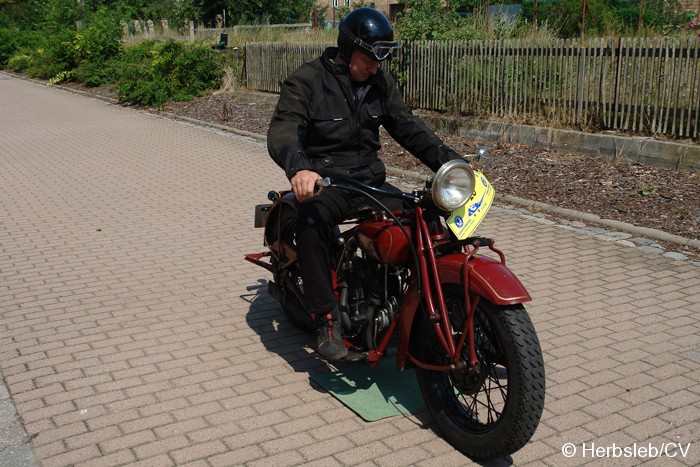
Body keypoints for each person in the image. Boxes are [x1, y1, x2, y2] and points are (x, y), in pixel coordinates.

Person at [267, 7, 463, 360]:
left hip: (372, 182)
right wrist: (299, 169)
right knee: (312, 222)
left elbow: (408, 128)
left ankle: (441, 305)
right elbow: (284, 129)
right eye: (369, 58)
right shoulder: (307, 81)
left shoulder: (380, 84)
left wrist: (452, 163)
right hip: (330, 183)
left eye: (380, 58)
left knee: (431, 218)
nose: (375, 66)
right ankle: (327, 317)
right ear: (346, 50)